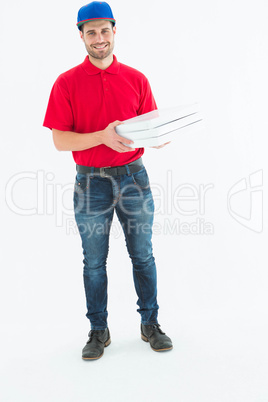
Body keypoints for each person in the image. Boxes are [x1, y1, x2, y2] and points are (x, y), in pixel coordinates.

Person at [43, 1, 173, 360]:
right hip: (91, 184)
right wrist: (101, 136)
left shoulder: (136, 79)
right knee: (94, 262)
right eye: (91, 32)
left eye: (104, 31)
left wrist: (159, 134)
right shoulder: (66, 83)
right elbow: (60, 140)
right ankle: (98, 331)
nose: (99, 38)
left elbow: (150, 125)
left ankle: (151, 324)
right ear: (81, 36)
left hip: (134, 179)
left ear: (114, 32)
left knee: (143, 256)